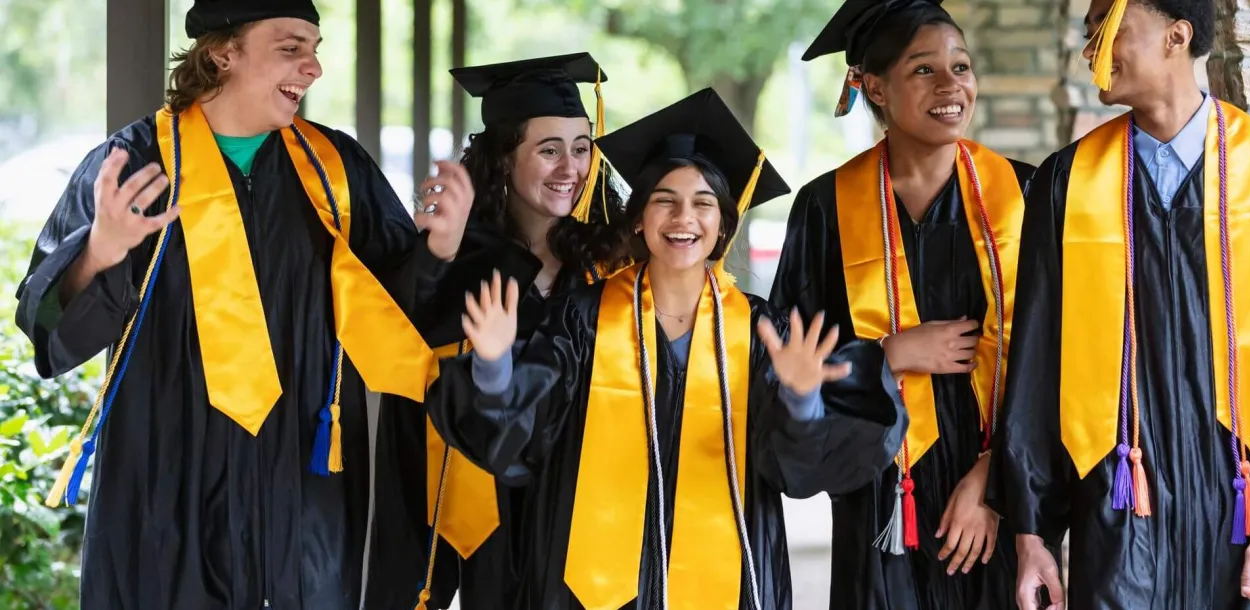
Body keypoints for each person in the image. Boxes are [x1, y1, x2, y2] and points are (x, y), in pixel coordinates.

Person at [12, 2, 473, 608]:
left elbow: (391, 314)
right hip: (167, 480)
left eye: (314, 47)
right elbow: (50, 335)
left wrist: (437, 249)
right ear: (221, 52)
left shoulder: (334, 170)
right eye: (290, 48)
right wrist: (97, 254)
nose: (313, 68)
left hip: (301, 488)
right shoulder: (135, 166)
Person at [987, 0, 1250, 606]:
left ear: (1175, 37)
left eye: (1109, 34)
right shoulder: (1067, 183)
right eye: (1088, 38)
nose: (1092, 54)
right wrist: (1032, 535)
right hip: (1118, 513)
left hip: (1243, 514)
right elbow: (1035, 370)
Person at [426, 87, 909, 609]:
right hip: (586, 586)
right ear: (638, 219)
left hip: (730, 584)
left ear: (723, 225)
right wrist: (496, 367)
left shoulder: (760, 330)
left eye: (703, 203)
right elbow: (523, 438)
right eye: (665, 201)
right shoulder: (582, 317)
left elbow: (794, 470)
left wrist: (800, 400)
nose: (684, 218)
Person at [773, 0, 1033, 607]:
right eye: (922, 70)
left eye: (961, 66)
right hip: (880, 496)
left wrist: (997, 480)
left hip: (997, 491)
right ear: (872, 87)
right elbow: (790, 361)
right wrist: (886, 355)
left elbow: (1060, 354)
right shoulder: (824, 208)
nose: (951, 86)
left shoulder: (1024, 192)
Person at [365, 52, 626, 610]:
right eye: (549, 149)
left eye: (582, 149)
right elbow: (392, 336)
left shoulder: (607, 264)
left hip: (574, 504)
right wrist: (438, 249)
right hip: (472, 504)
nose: (571, 168)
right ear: (506, 157)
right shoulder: (460, 255)